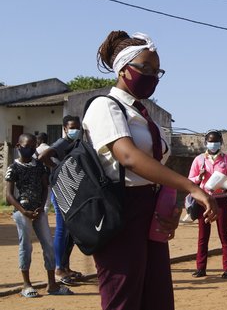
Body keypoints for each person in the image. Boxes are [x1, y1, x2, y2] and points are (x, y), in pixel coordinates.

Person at [84, 30, 219, 310]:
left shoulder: (144, 116)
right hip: (121, 212)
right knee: (123, 300)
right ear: (122, 69)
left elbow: (158, 166)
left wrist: (169, 206)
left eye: (158, 71)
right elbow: (129, 157)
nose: (153, 76)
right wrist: (191, 187)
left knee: (156, 300)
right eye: (146, 68)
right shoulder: (105, 107)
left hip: (150, 212)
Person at [4, 133, 74, 298]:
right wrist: (23, 211)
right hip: (23, 213)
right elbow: (8, 195)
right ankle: (26, 285)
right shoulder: (13, 168)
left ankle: (52, 284)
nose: (30, 149)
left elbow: (45, 187)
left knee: (48, 245)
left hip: (39, 211)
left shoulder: (39, 166)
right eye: (27, 146)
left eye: (33, 146)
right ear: (18, 146)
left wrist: (42, 207)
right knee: (26, 247)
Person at [38, 116, 82, 285]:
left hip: (71, 191)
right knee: (62, 230)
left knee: (70, 232)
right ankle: (58, 269)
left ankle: (65, 267)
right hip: (60, 191)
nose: (75, 130)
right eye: (72, 128)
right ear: (64, 128)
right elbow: (43, 157)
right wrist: (57, 168)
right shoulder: (61, 144)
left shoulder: (75, 143)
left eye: (77, 128)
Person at [188, 130, 227, 279]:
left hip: (221, 199)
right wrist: (199, 176)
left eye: (215, 141)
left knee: (224, 234)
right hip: (204, 200)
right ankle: (201, 268)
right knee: (203, 235)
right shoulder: (199, 160)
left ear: (221, 142)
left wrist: (226, 181)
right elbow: (190, 181)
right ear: (205, 142)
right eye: (210, 140)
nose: (212, 143)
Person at [34, 132, 51, 214]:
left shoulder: (35, 151)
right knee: (47, 199)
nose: (37, 141)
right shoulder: (51, 149)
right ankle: (44, 215)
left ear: (41, 140)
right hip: (48, 177)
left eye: (37, 139)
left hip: (37, 177)